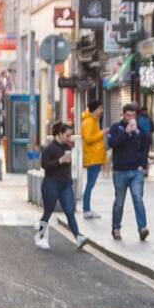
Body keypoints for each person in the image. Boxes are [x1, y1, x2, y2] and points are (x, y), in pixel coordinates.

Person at [36, 121, 86, 250]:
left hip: (65, 184)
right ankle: (40, 236)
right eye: (67, 135)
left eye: (71, 135)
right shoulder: (50, 148)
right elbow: (44, 165)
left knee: (70, 211)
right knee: (48, 211)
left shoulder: (67, 147)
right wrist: (60, 161)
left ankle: (78, 237)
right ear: (60, 134)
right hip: (51, 183)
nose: (70, 138)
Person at [106, 102, 150, 241]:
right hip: (120, 171)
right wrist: (126, 133)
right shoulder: (116, 128)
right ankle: (116, 228)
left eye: (133, 115)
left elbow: (145, 147)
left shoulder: (140, 130)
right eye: (128, 115)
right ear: (123, 115)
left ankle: (142, 228)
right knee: (119, 201)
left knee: (138, 198)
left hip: (136, 171)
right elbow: (112, 144)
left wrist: (142, 165)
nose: (131, 118)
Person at [80, 100, 105, 219]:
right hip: (92, 158)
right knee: (90, 184)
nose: (102, 110)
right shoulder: (89, 122)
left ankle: (87, 209)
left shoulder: (94, 121)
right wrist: (102, 133)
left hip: (95, 157)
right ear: (94, 109)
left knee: (90, 184)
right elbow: (89, 139)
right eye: (100, 108)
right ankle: (86, 209)